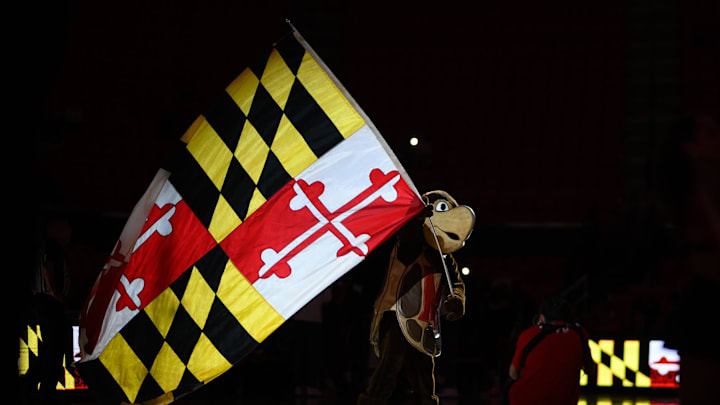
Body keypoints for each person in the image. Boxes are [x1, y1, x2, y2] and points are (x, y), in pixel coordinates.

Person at [357, 190, 475, 405]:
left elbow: (455, 284)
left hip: (423, 323)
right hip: (396, 316)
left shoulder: (443, 258)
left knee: (422, 374)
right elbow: (407, 241)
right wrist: (417, 219)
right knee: (389, 367)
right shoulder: (409, 245)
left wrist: (456, 300)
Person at [507, 297, 593, 405]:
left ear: (542, 318)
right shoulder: (581, 334)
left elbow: (513, 374)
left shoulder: (529, 334)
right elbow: (590, 370)